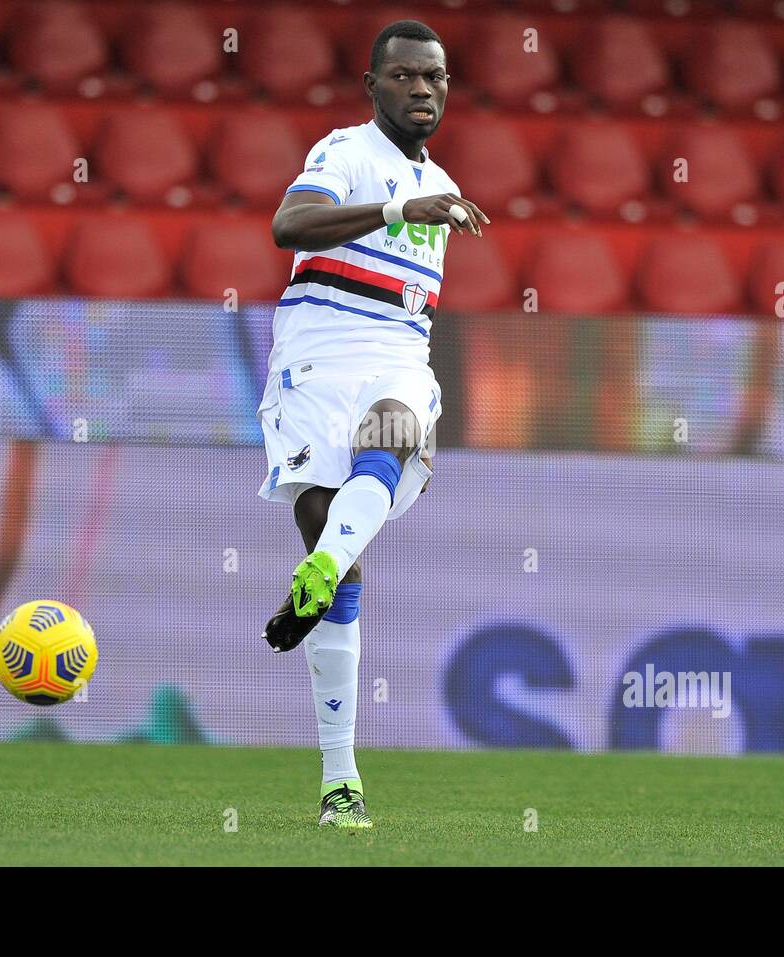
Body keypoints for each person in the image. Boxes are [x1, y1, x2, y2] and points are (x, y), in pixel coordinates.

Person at [258, 19, 490, 828]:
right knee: (335, 535)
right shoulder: (344, 152)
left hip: (397, 350)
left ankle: (320, 571)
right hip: (318, 350)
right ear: (372, 86)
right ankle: (339, 777)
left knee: (397, 422)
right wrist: (396, 206)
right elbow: (289, 227)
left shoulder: (446, 185)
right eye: (404, 77)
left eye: (435, 77)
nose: (422, 90)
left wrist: (416, 205)